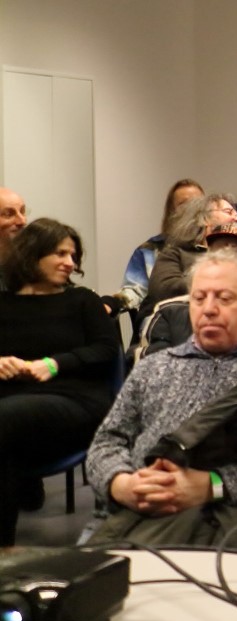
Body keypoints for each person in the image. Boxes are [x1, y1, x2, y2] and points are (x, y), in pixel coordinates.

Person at [85, 249, 237, 551]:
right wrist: (121, 483)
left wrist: (212, 484)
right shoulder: (155, 367)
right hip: (152, 510)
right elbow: (108, 441)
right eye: (199, 298)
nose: (208, 309)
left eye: (224, 298)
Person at [0, 218, 117, 546]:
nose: (70, 263)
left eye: (73, 255)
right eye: (60, 254)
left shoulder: (82, 301)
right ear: (32, 254)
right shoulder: (4, 304)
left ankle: (4, 548)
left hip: (74, 401)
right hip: (14, 409)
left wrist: (55, 364)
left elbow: (106, 350)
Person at [144, 197, 237, 317]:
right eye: (229, 212)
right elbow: (163, 290)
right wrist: (230, 284)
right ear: (204, 219)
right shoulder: (177, 253)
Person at [108, 178, 201, 317]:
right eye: (184, 204)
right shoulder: (149, 251)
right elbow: (134, 290)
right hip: (160, 319)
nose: (192, 208)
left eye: (197, 202)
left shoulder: (217, 248)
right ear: (172, 211)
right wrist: (111, 303)